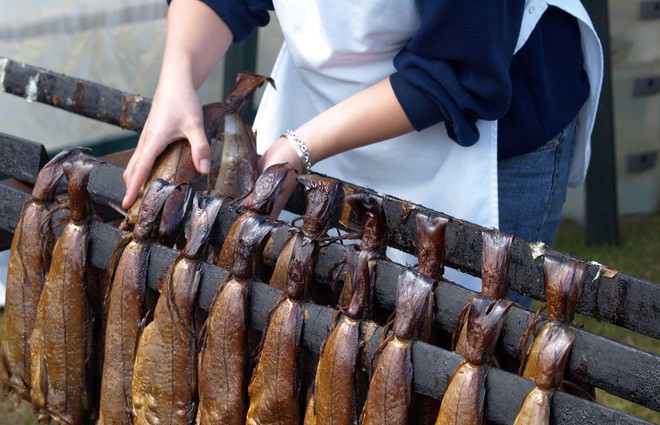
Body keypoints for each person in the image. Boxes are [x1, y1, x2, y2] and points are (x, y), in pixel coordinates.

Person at [121, 0, 603, 295]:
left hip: (488, 120)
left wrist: (301, 146)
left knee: (462, 360)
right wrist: (177, 75)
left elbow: (459, 70)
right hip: (323, 95)